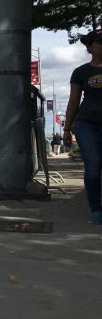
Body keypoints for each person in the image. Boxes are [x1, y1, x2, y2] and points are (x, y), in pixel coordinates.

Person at [63, 29, 102, 224]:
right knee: (94, 166)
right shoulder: (81, 72)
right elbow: (73, 101)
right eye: (100, 42)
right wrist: (67, 129)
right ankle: (96, 209)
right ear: (90, 47)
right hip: (87, 124)